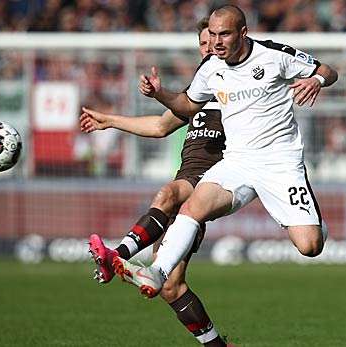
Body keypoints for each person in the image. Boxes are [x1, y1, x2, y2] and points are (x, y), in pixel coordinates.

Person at [112, 4, 338, 299]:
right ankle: (158, 271)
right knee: (192, 207)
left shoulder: (273, 55)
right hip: (237, 161)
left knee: (310, 246)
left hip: (279, 162)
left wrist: (316, 80)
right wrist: (160, 94)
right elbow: (188, 107)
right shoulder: (210, 68)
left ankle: (316, 224)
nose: (217, 42)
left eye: (225, 34)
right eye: (213, 34)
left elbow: (328, 71)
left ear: (242, 33)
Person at [82, 18, 230, 347]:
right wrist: (111, 121)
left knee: (167, 192)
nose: (209, 48)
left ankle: (115, 256)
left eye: (215, 42)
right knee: (170, 285)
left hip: (211, 182)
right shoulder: (200, 92)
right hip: (188, 182)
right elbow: (161, 126)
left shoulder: (236, 88)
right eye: (204, 43)